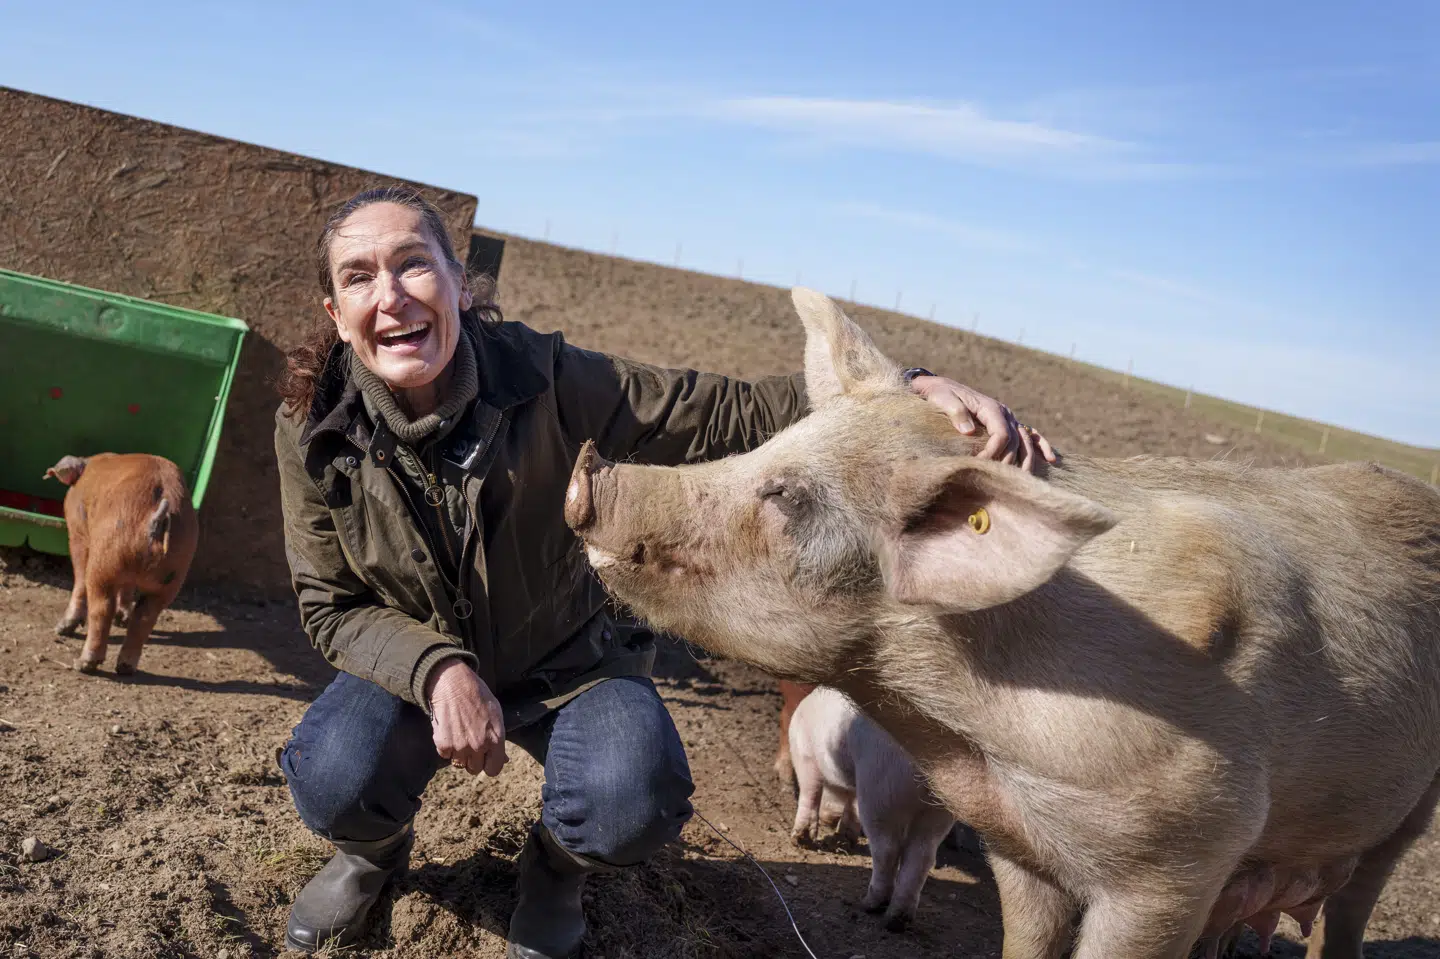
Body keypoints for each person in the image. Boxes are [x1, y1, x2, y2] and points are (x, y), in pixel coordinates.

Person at [273, 186, 1056, 958]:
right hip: (417, 670)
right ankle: (370, 856)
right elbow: (331, 605)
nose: (391, 296)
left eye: (413, 265)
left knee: (634, 798)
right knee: (333, 774)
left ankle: (553, 874)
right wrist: (438, 668)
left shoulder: (543, 378)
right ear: (335, 315)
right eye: (358, 277)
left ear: (456, 281)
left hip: (568, 661)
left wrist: (908, 387)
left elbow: (716, 412)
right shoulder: (314, 431)